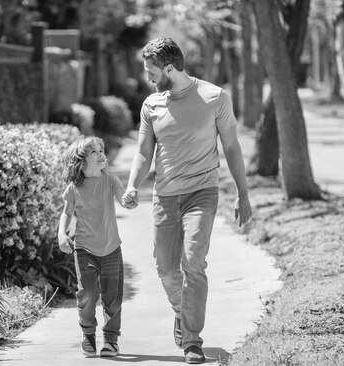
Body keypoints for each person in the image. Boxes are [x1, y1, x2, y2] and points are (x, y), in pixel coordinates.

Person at [122, 37, 252, 364]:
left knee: (193, 262)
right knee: (165, 269)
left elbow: (232, 147)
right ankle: (183, 310)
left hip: (202, 192)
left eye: (151, 70)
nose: (147, 77)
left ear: (169, 68)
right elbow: (143, 152)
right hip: (165, 196)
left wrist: (242, 193)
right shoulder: (152, 105)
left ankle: (192, 341)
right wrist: (132, 185)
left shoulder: (214, 97)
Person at [57, 136, 136, 358]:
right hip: (84, 249)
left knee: (112, 297)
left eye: (101, 150)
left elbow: (123, 199)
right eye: (94, 152)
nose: (101, 154)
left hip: (111, 248)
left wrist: (129, 200)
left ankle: (111, 340)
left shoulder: (110, 180)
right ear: (80, 161)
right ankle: (88, 334)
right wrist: (62, 233)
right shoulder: (74, 188)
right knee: (88, 294)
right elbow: (66, 212)